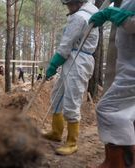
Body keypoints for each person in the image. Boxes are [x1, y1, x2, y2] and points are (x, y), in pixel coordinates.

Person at [43, 0, 99, 155]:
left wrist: (54, 64)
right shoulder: (83, 14)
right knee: (57, 95)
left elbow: (66, 45)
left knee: (72, 100)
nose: (67, 7)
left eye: (69, 4)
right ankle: (56, 132)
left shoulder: (80, 18)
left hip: (78, 62)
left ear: (78, 3)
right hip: (72, 59)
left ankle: (72, 142)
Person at [89, 0, 135, 167]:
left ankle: (118, 163)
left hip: (133, 70)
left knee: (109, 109)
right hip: (128, 65)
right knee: (127, 113)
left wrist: (114, 14)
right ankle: (119, 161)